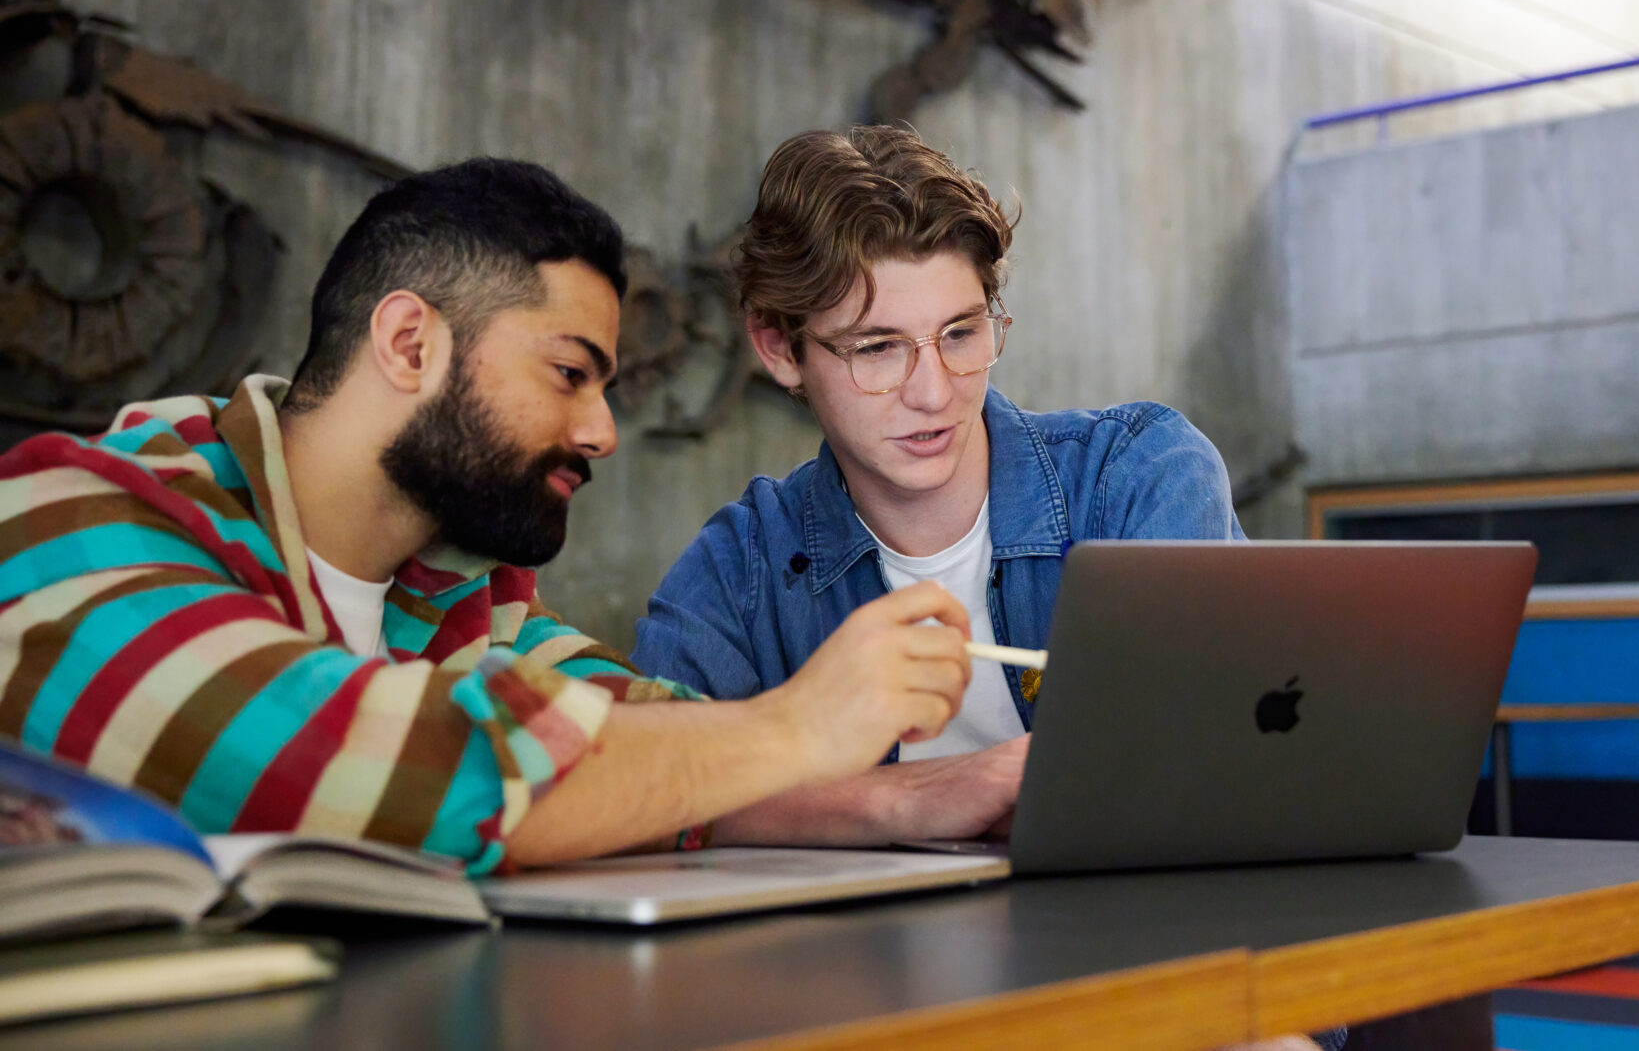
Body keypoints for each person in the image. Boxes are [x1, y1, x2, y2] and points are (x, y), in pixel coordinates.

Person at [0, 158, 976, 873]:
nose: (601, 430)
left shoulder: (459, 601)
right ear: (410, 342)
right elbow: (349, 768)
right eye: (567, 374)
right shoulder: (71, 523)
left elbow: (664, 757)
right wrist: (802, 724)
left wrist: (928, 793)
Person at [632, 125, 1246, 846]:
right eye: (878, 348)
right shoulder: (743, 568)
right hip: (850, 960)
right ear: (778, 348)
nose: (933, 394)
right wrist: (900, 801)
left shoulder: (1139, 474)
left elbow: (1214, 763)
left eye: (961, 334)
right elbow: (641, 791)